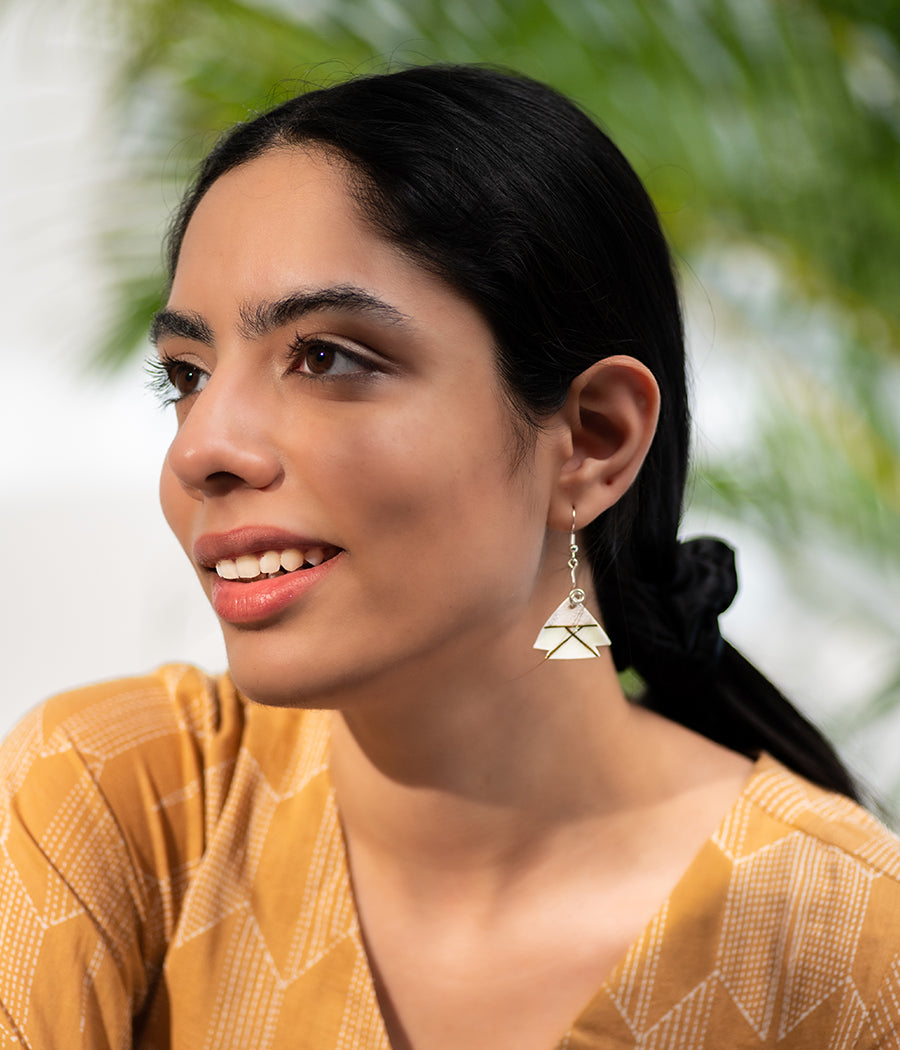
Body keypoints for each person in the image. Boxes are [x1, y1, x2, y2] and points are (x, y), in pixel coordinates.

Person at [0, 63, 897, 1050]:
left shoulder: (844, 943)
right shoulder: (123, 802)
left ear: (593, 441)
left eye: (328, 357)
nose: (203, 448)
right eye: (188, 374)